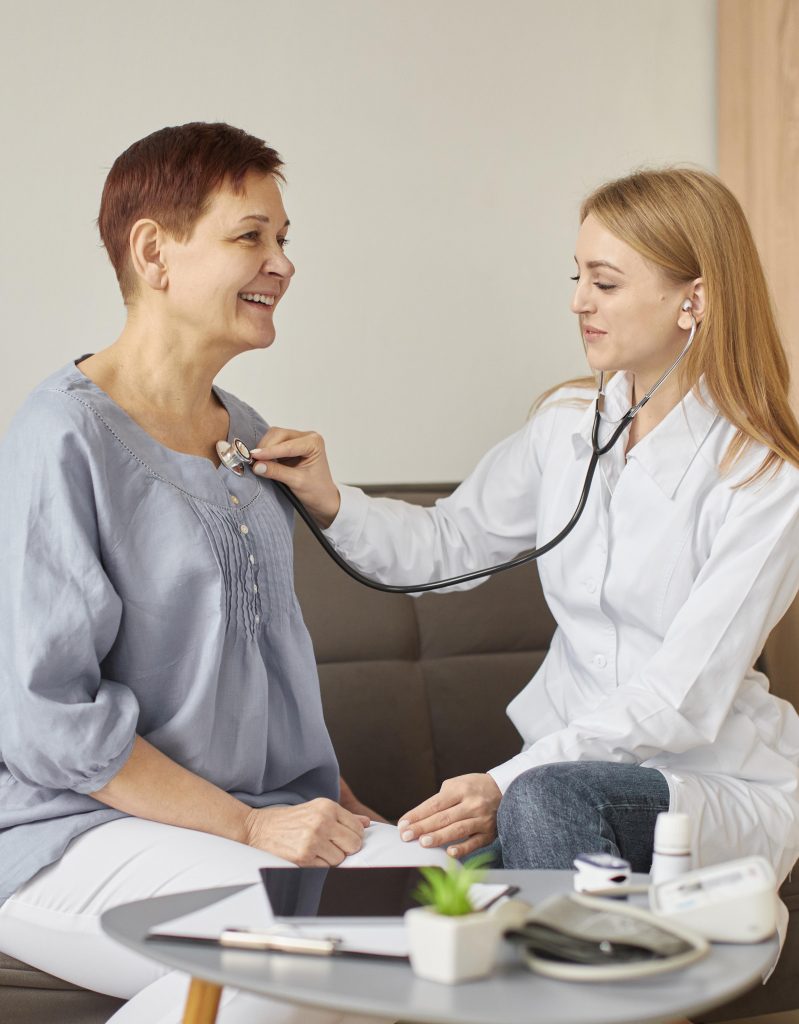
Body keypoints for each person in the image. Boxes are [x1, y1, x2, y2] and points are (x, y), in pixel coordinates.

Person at [0, 122, 443, 1024]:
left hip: (252, 815)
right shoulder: (62, 439)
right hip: (68, 830)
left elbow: (255, 664)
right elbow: (48, 721)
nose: (281, 263)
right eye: (252, 236)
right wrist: (247, 826)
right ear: (154, 252)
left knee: (447, 901)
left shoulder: (246, 433)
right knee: (297, 954)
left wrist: (331, 803)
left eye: (284, 240)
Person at [251, 167, 799, 886]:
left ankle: (588, 982)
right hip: (555, 791)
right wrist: (329, 499)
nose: (577, 303)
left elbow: (679, 700)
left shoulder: (763, 479)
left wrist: (507, 780)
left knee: (541, 799)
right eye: (576, 278)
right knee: (409, 880)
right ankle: (609, 981)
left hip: (706, 788)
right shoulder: (567, 428)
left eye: (603, 283)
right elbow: (447, 545)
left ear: (692, 299)